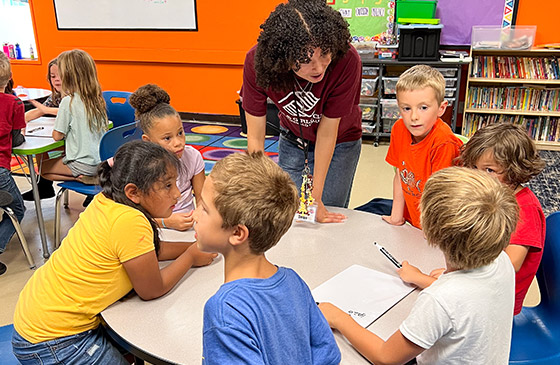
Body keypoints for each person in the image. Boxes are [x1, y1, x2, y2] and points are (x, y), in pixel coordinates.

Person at [12, 140, 217, 364]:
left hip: (39, 318)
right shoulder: (130, 220)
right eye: (168, 186)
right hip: (55, 340)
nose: (177, 194)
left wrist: (190, 247)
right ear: (133, 192)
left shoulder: (106, 201)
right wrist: (190, 257)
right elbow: (152, 289)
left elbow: (148, 252)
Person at [320, 167, 519, 364]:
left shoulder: (438, 301)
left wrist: (339, 318)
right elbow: (465, 304)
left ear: (431, 230)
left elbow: (385, 357)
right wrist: (423, 279)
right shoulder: (501, 261)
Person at [194, 151, 341, 364]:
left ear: (237, 233)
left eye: (204, 209)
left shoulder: (224, 310)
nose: (195, 214)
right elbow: (328, 354)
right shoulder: (293, 281)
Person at [241, 0, 362, 223]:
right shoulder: (257, 62)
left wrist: (315, 198)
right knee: (290, 211)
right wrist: (257, 185)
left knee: (327, 210)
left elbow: (328, 131)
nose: (318, 67)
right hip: (293, 139)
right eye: (304, 60)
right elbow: (255, 137)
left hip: (340, 142)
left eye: (325, 53)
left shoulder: (347, 60)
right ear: (284, 57)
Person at [458, 123, 546, 315]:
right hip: (480, 280)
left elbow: (511, 263)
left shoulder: (525, 208)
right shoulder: (489, 193)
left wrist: (462, 273)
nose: (478, 176)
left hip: (497, 301)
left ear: (515, 171)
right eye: (474, 167)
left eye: (489, 170)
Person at [381, 65, 463, 229]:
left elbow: (441, 193)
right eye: (406, 108)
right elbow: (400, 173)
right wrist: (396, 216)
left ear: (441, 108)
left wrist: (431, 229)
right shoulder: (398, 129)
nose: (414, 117)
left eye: (423, 108)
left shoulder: (444, 142)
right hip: (413, 220)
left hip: (437, 223)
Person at [129, 83, 205, 233]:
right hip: (155, 230)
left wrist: (199, 212)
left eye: (180, 133)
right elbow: (133, 218)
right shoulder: (141, 168)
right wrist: (166, 222)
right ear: (148, 140)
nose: (178, 143)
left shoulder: (193, 157)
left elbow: (203, 199)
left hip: (190, 228)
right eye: (167, 138)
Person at [38, 49, 107, 184]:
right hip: (101, 162)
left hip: (83, 165)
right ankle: (87, 177)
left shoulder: (68, 101)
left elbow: (57, 136)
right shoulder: (97, 99)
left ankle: (81, 178)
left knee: (42, 168)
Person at [21, 58, 63, 200]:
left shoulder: (78, 97)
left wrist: (45, 109)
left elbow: (67, 111)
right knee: (41, 149)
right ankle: (43, 186)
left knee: (47, 151)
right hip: (61, 136)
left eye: (60, 76)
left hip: (77, 143)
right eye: (53, 77)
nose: (56, 80)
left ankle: (44, 183)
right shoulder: (55, 96)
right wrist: (21, 119)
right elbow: (40, 111)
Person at [0, 51, 26, 276]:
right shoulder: (13, 103)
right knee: (17, 208)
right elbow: (17, 139)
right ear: (9, 77)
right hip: (0, 168)